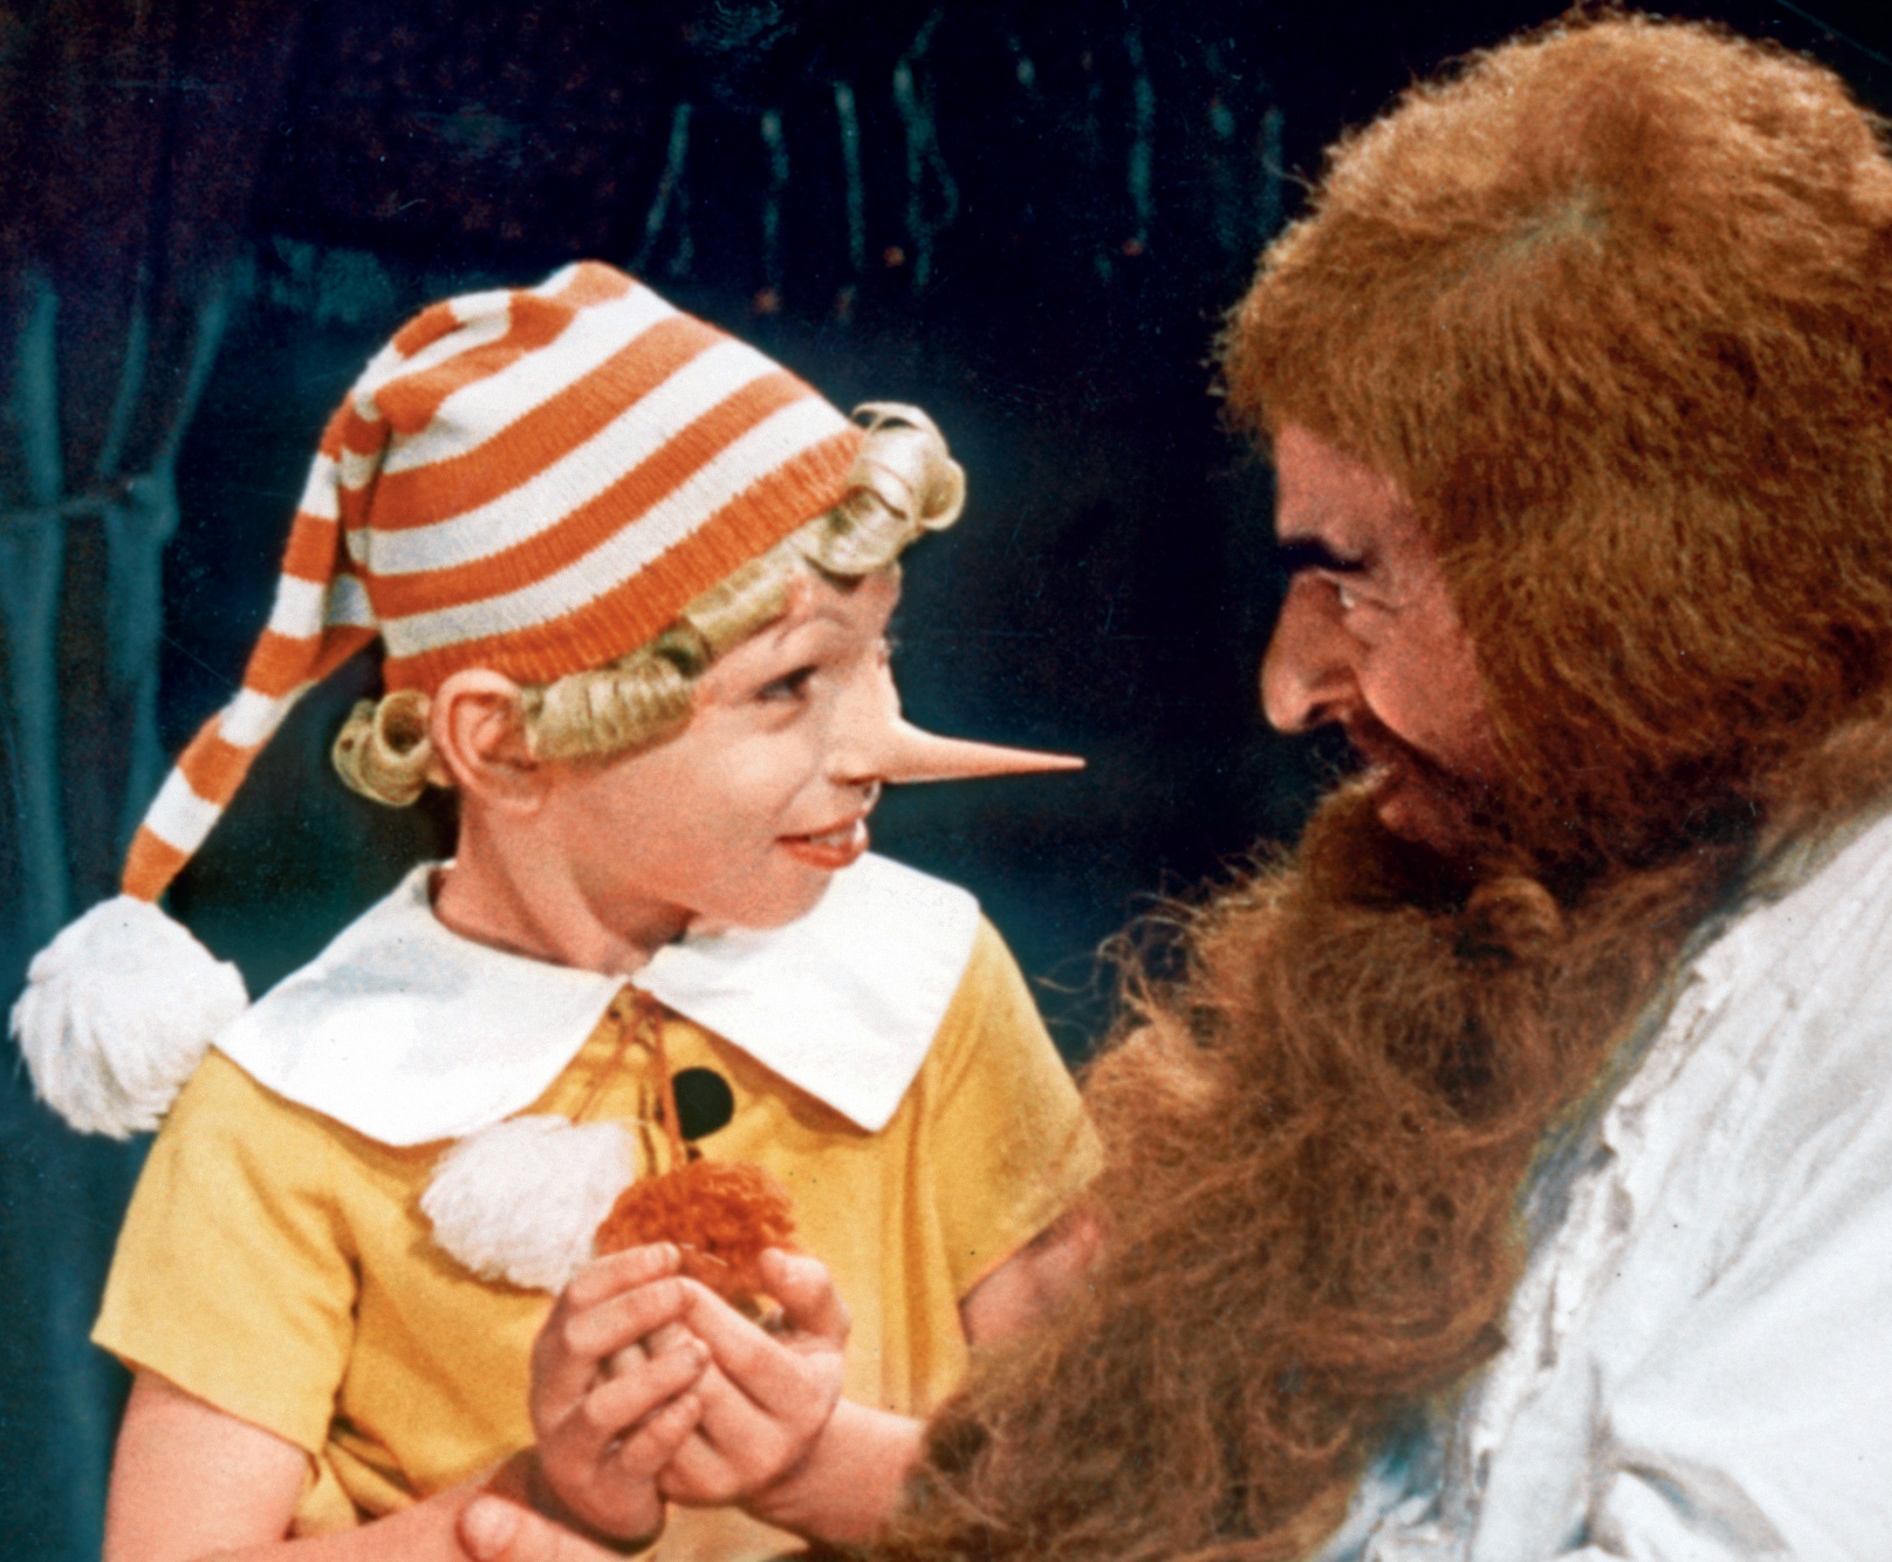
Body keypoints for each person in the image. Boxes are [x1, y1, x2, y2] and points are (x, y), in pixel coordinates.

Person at [466, 9, 1892, 1562]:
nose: (1292, 687)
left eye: (1353, 579)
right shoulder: (1638, 840)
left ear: (1639, 582)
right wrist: (831, 1469)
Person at [10, 260, 1099, 1560]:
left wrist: (823, 1469)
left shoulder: (928, 975)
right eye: (788, 683)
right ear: (507, 745)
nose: (879, 744)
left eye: (882, 654)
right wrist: (537, 1505)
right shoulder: (284, 1111)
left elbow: (1115, 1494)